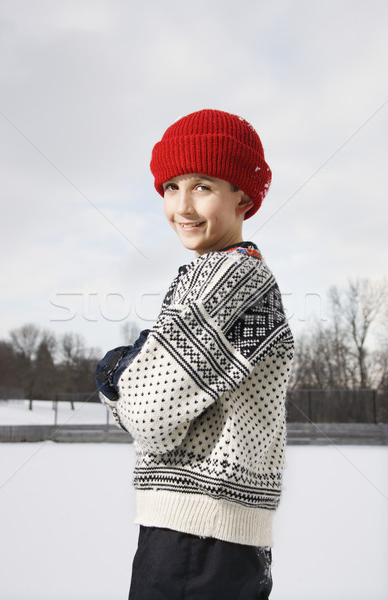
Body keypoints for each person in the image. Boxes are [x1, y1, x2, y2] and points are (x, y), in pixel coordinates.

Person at [95, 109, 294, 600]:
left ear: (243, 196)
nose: (182, 205)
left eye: (202, 186)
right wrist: (137, 374)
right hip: (205, 535)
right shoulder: (211, 275)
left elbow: (148, 415)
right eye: (170, 187)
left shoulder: (232, 279)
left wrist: (117, 373)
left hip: (199, 535)